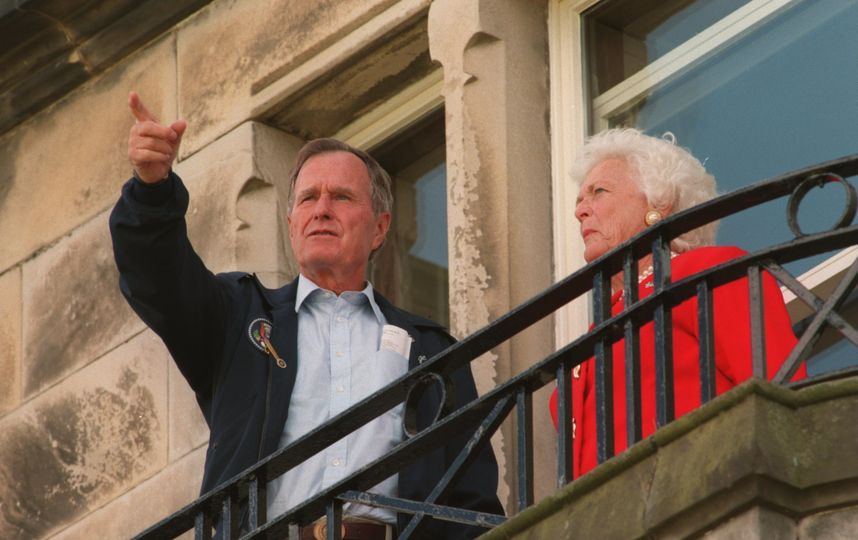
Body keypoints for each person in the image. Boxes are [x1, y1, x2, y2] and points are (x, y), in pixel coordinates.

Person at [110, 92, 503, 539]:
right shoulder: (239, 319)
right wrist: (152, 190)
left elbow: (471, 503)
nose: (321, 210)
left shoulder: (431, 350)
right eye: (308, 198)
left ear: (379, 228)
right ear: (292, 224)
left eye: (341, 197)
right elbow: (158, 279)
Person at [549, 127, 805, 477]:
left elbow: (779, 388)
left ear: (659, 203)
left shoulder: (707, 271)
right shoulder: (595, 330)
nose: (580, 211)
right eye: (579, 200)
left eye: (599, 192)